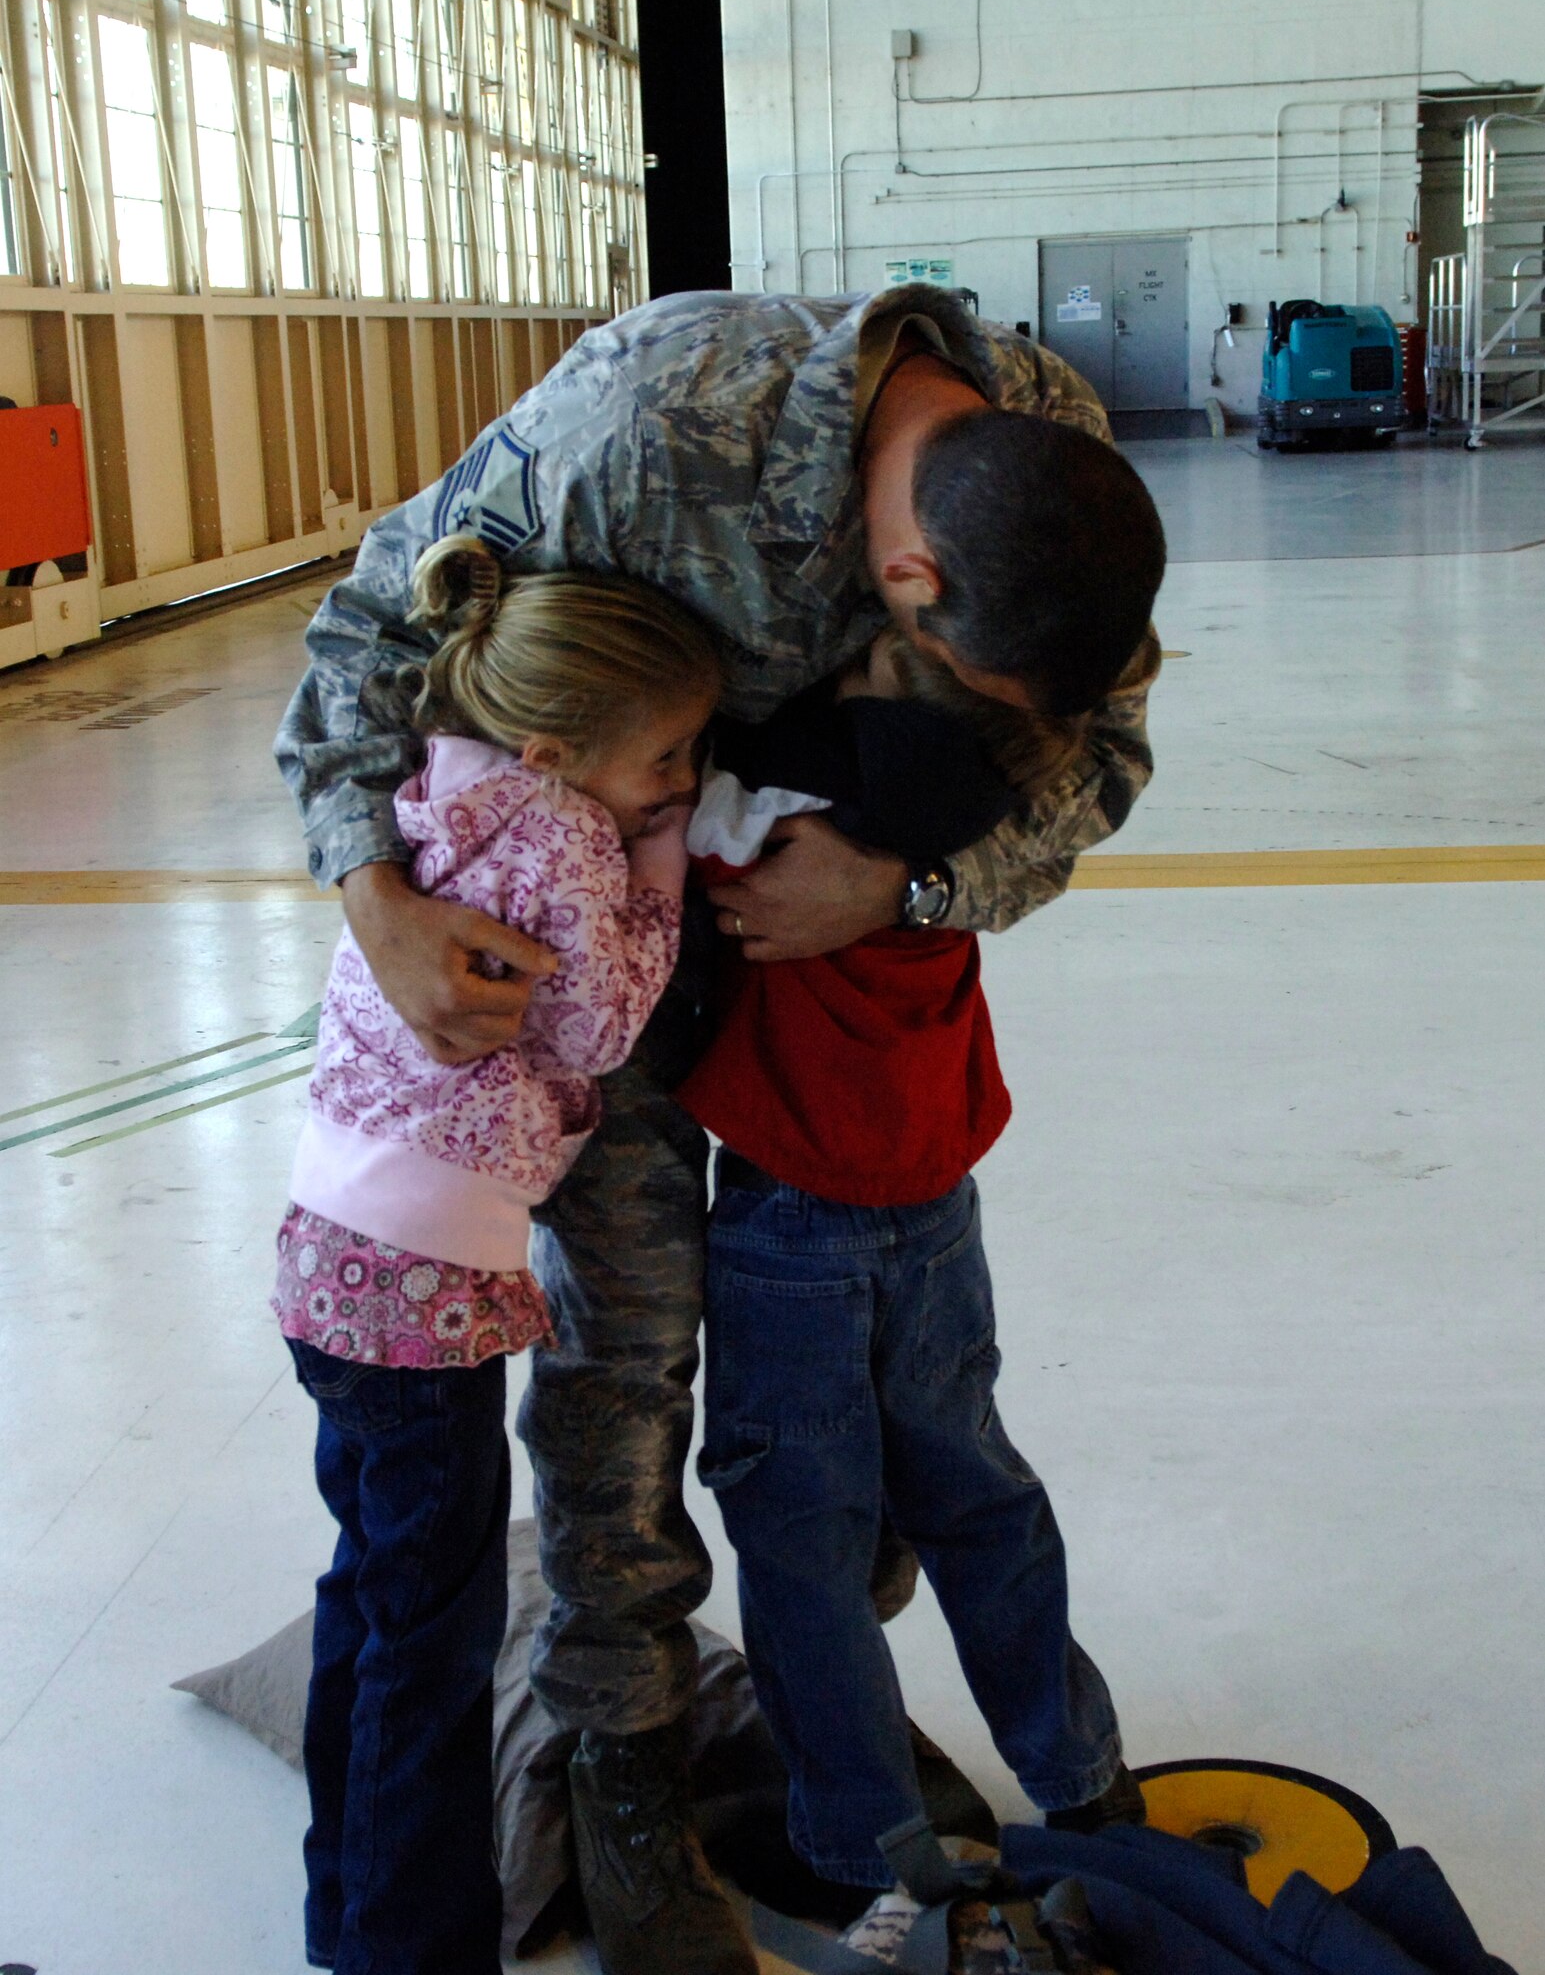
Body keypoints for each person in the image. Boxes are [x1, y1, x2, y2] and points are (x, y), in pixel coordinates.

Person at [276, 283, 1163, 1975]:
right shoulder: (643, 432)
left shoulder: (1054, 469)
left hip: (825, 992)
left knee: (851, 1402)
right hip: (575, 969)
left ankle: (813, 1711)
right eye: (950, 667)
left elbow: (1093, 766)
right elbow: (368, 627)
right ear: (905, 576)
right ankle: (620, 1738)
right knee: (622, 1357)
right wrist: (375, 893)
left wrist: (904, 881)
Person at [677, 419, 1165, 1948]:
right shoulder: (948, 832)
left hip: (786, 1226)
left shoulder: (766, 819)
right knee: (973, 1491)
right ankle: (1078, 1779)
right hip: (935, 1210)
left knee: (802, 1537)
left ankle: (860, 1845)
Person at [272, 536, 720, 1975]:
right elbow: (598, 1026)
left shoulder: (443, 789)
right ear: (556, 746)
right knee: (437, 1633)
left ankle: (341, 1899)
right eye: (668, 754)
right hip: (426, 1289)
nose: (683, 778)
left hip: (331, 1250)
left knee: (375, 1586)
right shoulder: (572, 838)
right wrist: (658, 856)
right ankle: (409, 1946)